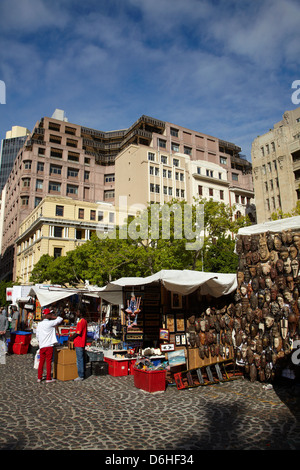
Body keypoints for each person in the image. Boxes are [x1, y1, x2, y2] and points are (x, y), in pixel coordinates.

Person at [36, 308, 63, 383]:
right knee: (48, 362)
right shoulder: (50, 323)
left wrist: (40, 342)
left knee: (41, 362)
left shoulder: (40, 324)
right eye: (50, 314)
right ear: (47, 315)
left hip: (42, 345)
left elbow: (37, 335)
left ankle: (39, 377)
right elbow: (60, 319)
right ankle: (48, 378)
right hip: (49, 345)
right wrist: (53, 317)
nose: (52, 314)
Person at [70, 310, 87, 381]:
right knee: (81, 358)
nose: (76, 313)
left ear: (80, 313)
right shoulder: (84, 321)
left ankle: (81, 375)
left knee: (79, 359)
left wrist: (71, 338)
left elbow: (78, 333)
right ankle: (82, 373)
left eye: (77, 312)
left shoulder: (81, 322)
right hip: (81, 342)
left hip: (79, 342)